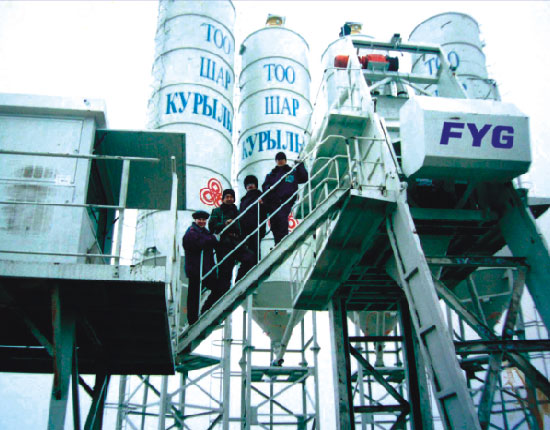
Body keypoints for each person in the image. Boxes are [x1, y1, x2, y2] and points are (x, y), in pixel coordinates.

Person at [209, 189, 255, 294]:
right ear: (223, 199)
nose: (229, 199)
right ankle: (221, 296)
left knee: (250, 258)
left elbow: (243, 227)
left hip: (237, 242)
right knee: (225, 272)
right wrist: (224, 224)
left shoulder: (237, 212)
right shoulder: (217, 211)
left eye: (231, 197)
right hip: (224, 244)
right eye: (227, 197)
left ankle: (239, 281)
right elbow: (212, 226)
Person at [262, 152, 308, 244]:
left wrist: (300, 165)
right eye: (278, 159)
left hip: (286, 201)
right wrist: (269, 188)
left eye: (282, 159)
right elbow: (265, 186)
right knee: (274, 224)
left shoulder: (292, 172)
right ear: (276, 161)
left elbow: (304, 178)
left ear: (285, 160)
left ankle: (282, 242)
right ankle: (278, 243)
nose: (280, 161)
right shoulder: (271, 174)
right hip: (273, 203)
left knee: (282, 221)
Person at [182, 210, 219, 325]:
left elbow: (212, 243)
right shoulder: (191, 232)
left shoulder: (205, 232)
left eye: (204, 220)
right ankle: (192, 320)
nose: (202, 221)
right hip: (195, 269)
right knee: (194, 295)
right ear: (195, 220)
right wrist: (211, 239)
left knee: (218, 289)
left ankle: (204, 311)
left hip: (206, 269)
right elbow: (199, 244)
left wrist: (210, 240)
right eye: (200, 219)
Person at [239, 175, 267, 264]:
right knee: (246, 252)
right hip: (245, 229)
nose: (250, 185)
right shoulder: (243, 201)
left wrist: (263, 204)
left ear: (256, 185)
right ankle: (247, 268)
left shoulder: (261, 196)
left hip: (257, 227)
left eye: (252, 183)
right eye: (248, 184)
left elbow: (267, 209)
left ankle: (256, 266)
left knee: (255, 249)